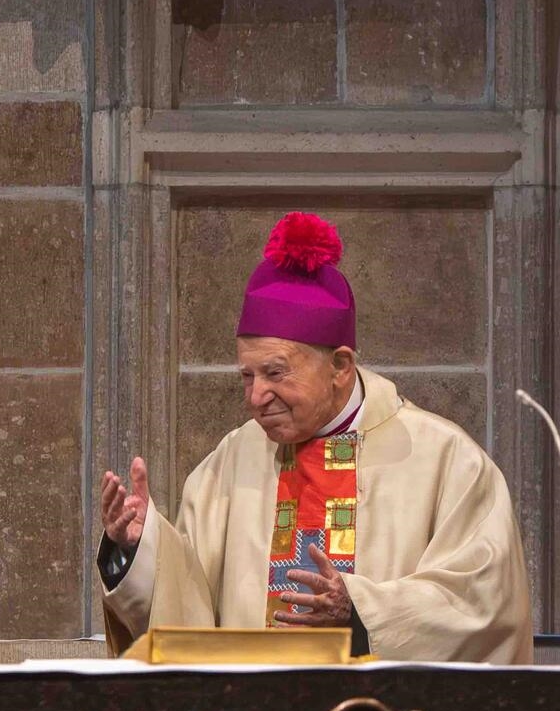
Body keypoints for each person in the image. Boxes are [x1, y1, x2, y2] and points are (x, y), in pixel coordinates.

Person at [98, 211, 531, 664]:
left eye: (275, 373)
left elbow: (484, 605)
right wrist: (138, 549)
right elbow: (186, 615)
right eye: (246, 375)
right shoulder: (229, 463)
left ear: (340, 367)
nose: (256, 396)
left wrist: (360, 612)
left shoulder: (446, 459)